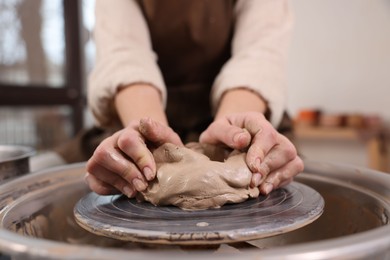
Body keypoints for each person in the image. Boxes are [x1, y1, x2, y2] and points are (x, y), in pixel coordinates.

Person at [85, 0, 304, 199]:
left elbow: (260, 54)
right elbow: (124, 55)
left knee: (279, 179)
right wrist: (148, 139)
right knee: (59, 169)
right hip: (142, 114)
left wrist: (235, 134)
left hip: (241, 113)